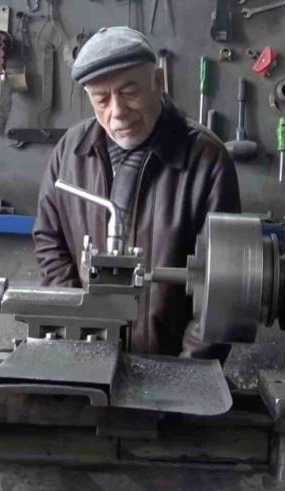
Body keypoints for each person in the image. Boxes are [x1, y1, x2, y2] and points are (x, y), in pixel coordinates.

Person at [32, 26, 240, 363]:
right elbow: (49, 240)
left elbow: (224, 285)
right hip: (88, 358)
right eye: (101, 99)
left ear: (158, 81)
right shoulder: (70, 151)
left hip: (172, 364)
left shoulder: (207, 160)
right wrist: (77, 324)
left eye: (129, 92)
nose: (117, 111)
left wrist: (189, 372)